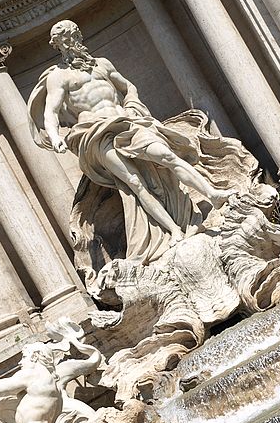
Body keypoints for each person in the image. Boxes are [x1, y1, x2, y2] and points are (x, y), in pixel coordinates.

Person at [28, 20, 235, 256]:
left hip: (127, 122)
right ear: (57, 46)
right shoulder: (59, 76)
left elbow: (128, 87)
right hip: (96, 134)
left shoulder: (102, 65)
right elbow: (50, 112)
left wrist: (133, 105)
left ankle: (213, 194)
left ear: (79, 36)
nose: (70, 42)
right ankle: (173, 231)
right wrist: (55, 137)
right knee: (135, 183)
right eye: (64, 40)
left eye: (73, 36)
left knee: (166, 155)